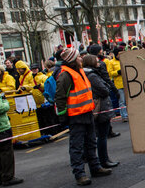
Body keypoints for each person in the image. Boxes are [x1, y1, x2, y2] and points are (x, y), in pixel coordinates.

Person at [55, 48, 111, 186]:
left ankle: (95, 167)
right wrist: (63, 117)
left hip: (87, 113)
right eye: (79, 57)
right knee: (77, 147)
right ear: (73, 60)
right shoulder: (66, 76)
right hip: (76, 116)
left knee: (91, 143)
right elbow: (60, 97)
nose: (81, 58)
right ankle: (80, 174)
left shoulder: (78, 72)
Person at [82, 55, 119, 169]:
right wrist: (107, 88)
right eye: (97, 61)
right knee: (102, 136)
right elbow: (104, 90)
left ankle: (104, 159)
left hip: (98, 107)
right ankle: (104, 160)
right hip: (100, 107)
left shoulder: (87, 74)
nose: (99, 63)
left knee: (100, 135)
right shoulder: (92, 75)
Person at [87, 45, 120, 137]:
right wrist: (113, 89)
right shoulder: (99, 66)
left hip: (93, 92)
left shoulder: (87, 68)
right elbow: (106, 78)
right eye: (100, 50)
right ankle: (106, 132)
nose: (102, 52)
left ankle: (106, 131)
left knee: (99, 114)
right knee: (103, 112)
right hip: (101, 90)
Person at [107, 48, 127, 122]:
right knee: (122, 101)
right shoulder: (111, 62)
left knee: (128, 101)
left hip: (126, 83)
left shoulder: (125, 60)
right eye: (119, 54)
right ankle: (124, 116)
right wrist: (117, 72)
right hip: (118, 84)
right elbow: (110, 73)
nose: (120, 55)